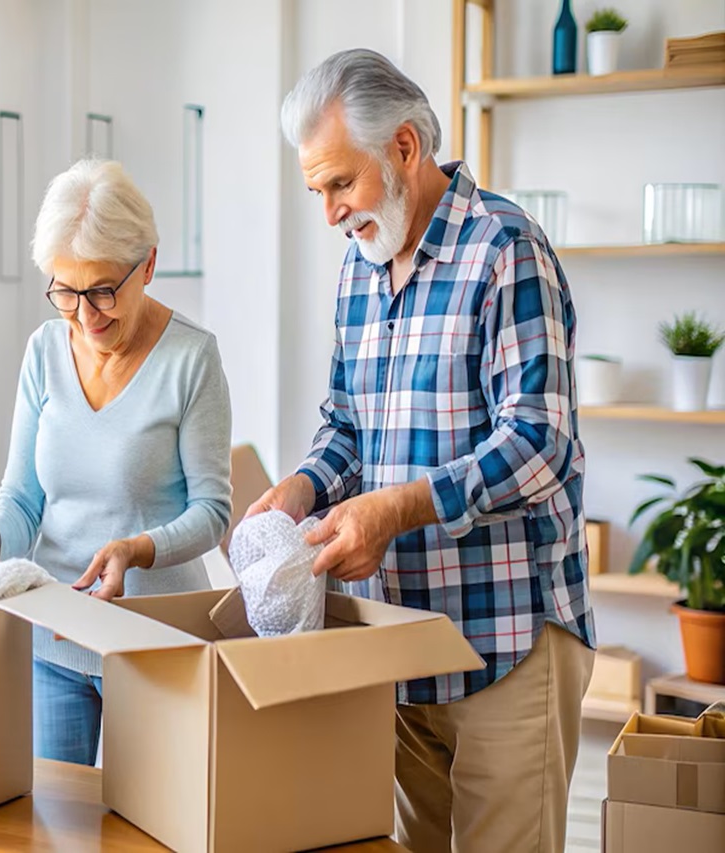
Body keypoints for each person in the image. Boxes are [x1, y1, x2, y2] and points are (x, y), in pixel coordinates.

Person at [252, 49, 595, 853]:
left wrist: (399, 506)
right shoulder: (359, 269)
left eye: (341, 183)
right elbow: (346, 423)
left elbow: (540, 441)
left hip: (506, 643)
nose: (331, 211)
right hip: (401, 648)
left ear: (405, 147)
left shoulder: (505, 248)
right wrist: (303, 486)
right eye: (318, 192)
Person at [0, 159, 232, 766]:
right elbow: (23, 495)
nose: (86, 315)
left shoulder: (192, 359)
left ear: (148, 266)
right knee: (57, 825)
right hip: (56, 634)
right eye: (66, 292)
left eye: (104, 290)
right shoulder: (44, 351)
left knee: (151, 826)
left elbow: (212, 514)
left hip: (157, 638)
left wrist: (135, 549)